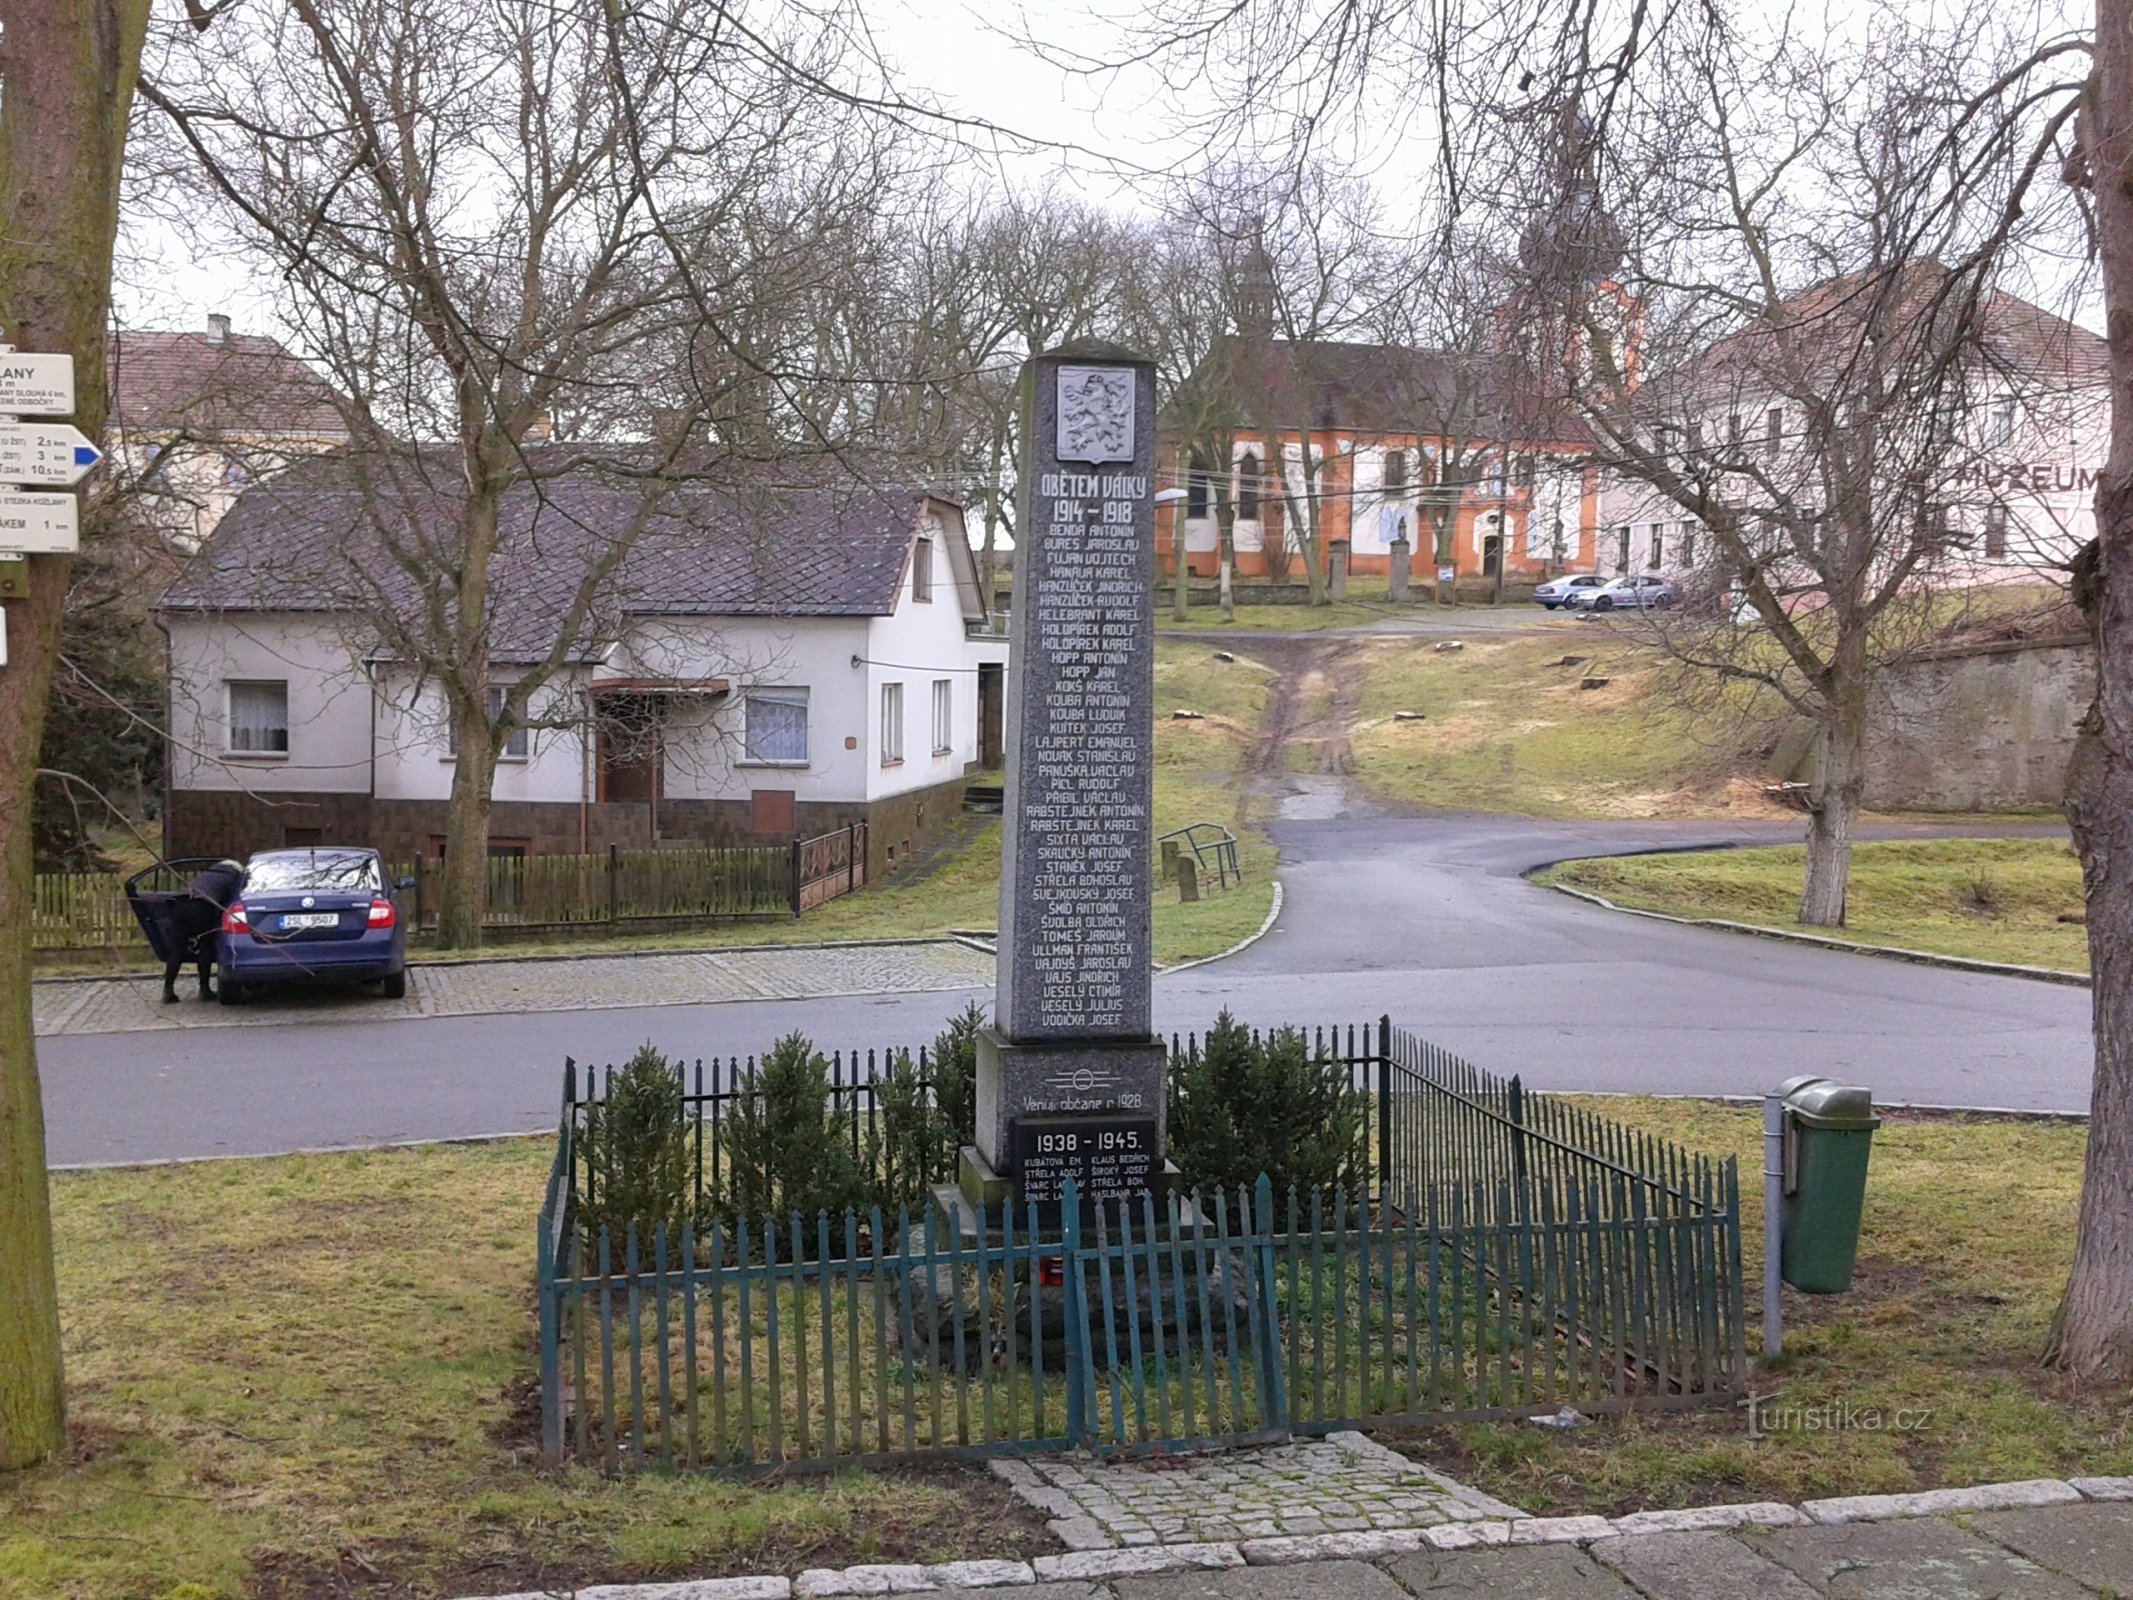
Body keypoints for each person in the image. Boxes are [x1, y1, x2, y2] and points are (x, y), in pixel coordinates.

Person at [163, 858, 244, 1003]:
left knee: (176, 949)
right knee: (205, 947)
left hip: (179, 904)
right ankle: (204, 990)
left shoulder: (208, 873)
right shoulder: (234, 877)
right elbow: (231, 900)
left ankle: (168, 991)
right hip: (202, 906)